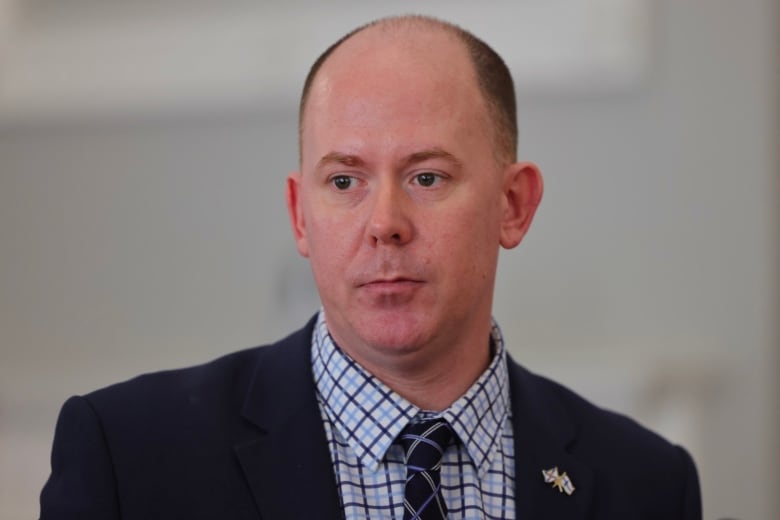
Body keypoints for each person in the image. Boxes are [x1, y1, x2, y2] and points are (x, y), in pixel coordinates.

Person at [40, 15, 702, 520]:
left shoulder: (645, 483)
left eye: (426, 175)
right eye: (345, 182)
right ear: (301, 215)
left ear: (513, 204)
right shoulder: (127, 457)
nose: (384, 222)